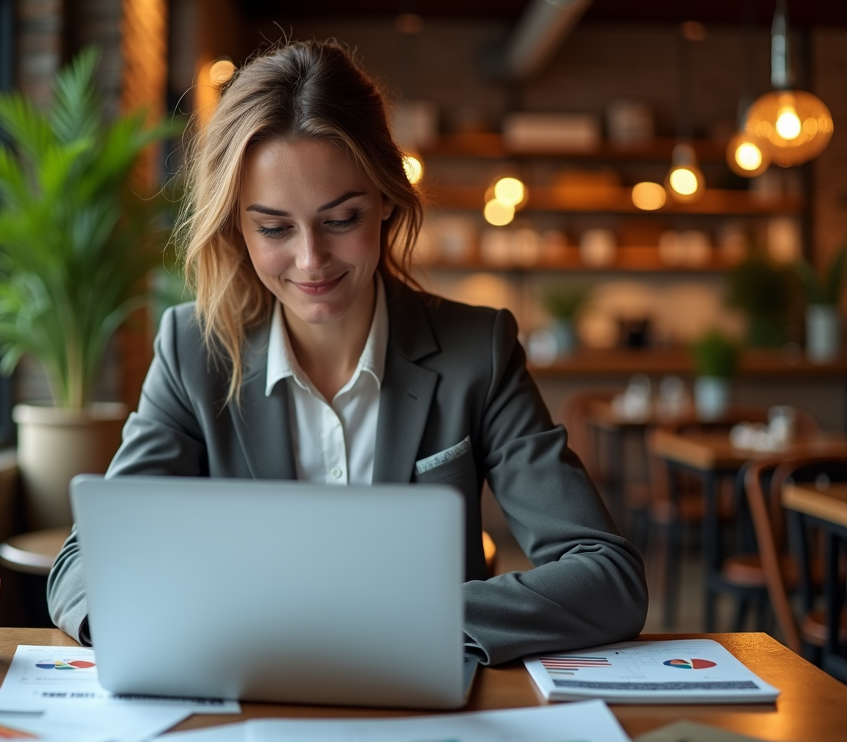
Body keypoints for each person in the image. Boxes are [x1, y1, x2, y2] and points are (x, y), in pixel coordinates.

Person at [48, 39, 647, 665]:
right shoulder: (193, 351)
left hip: (420, 703)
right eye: (274, 228)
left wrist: (389, 617)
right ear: (236, 226)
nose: (311, 261)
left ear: (387, 199)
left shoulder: (478, 351)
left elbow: (609, 577)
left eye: (341, 219)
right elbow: (82, 566)